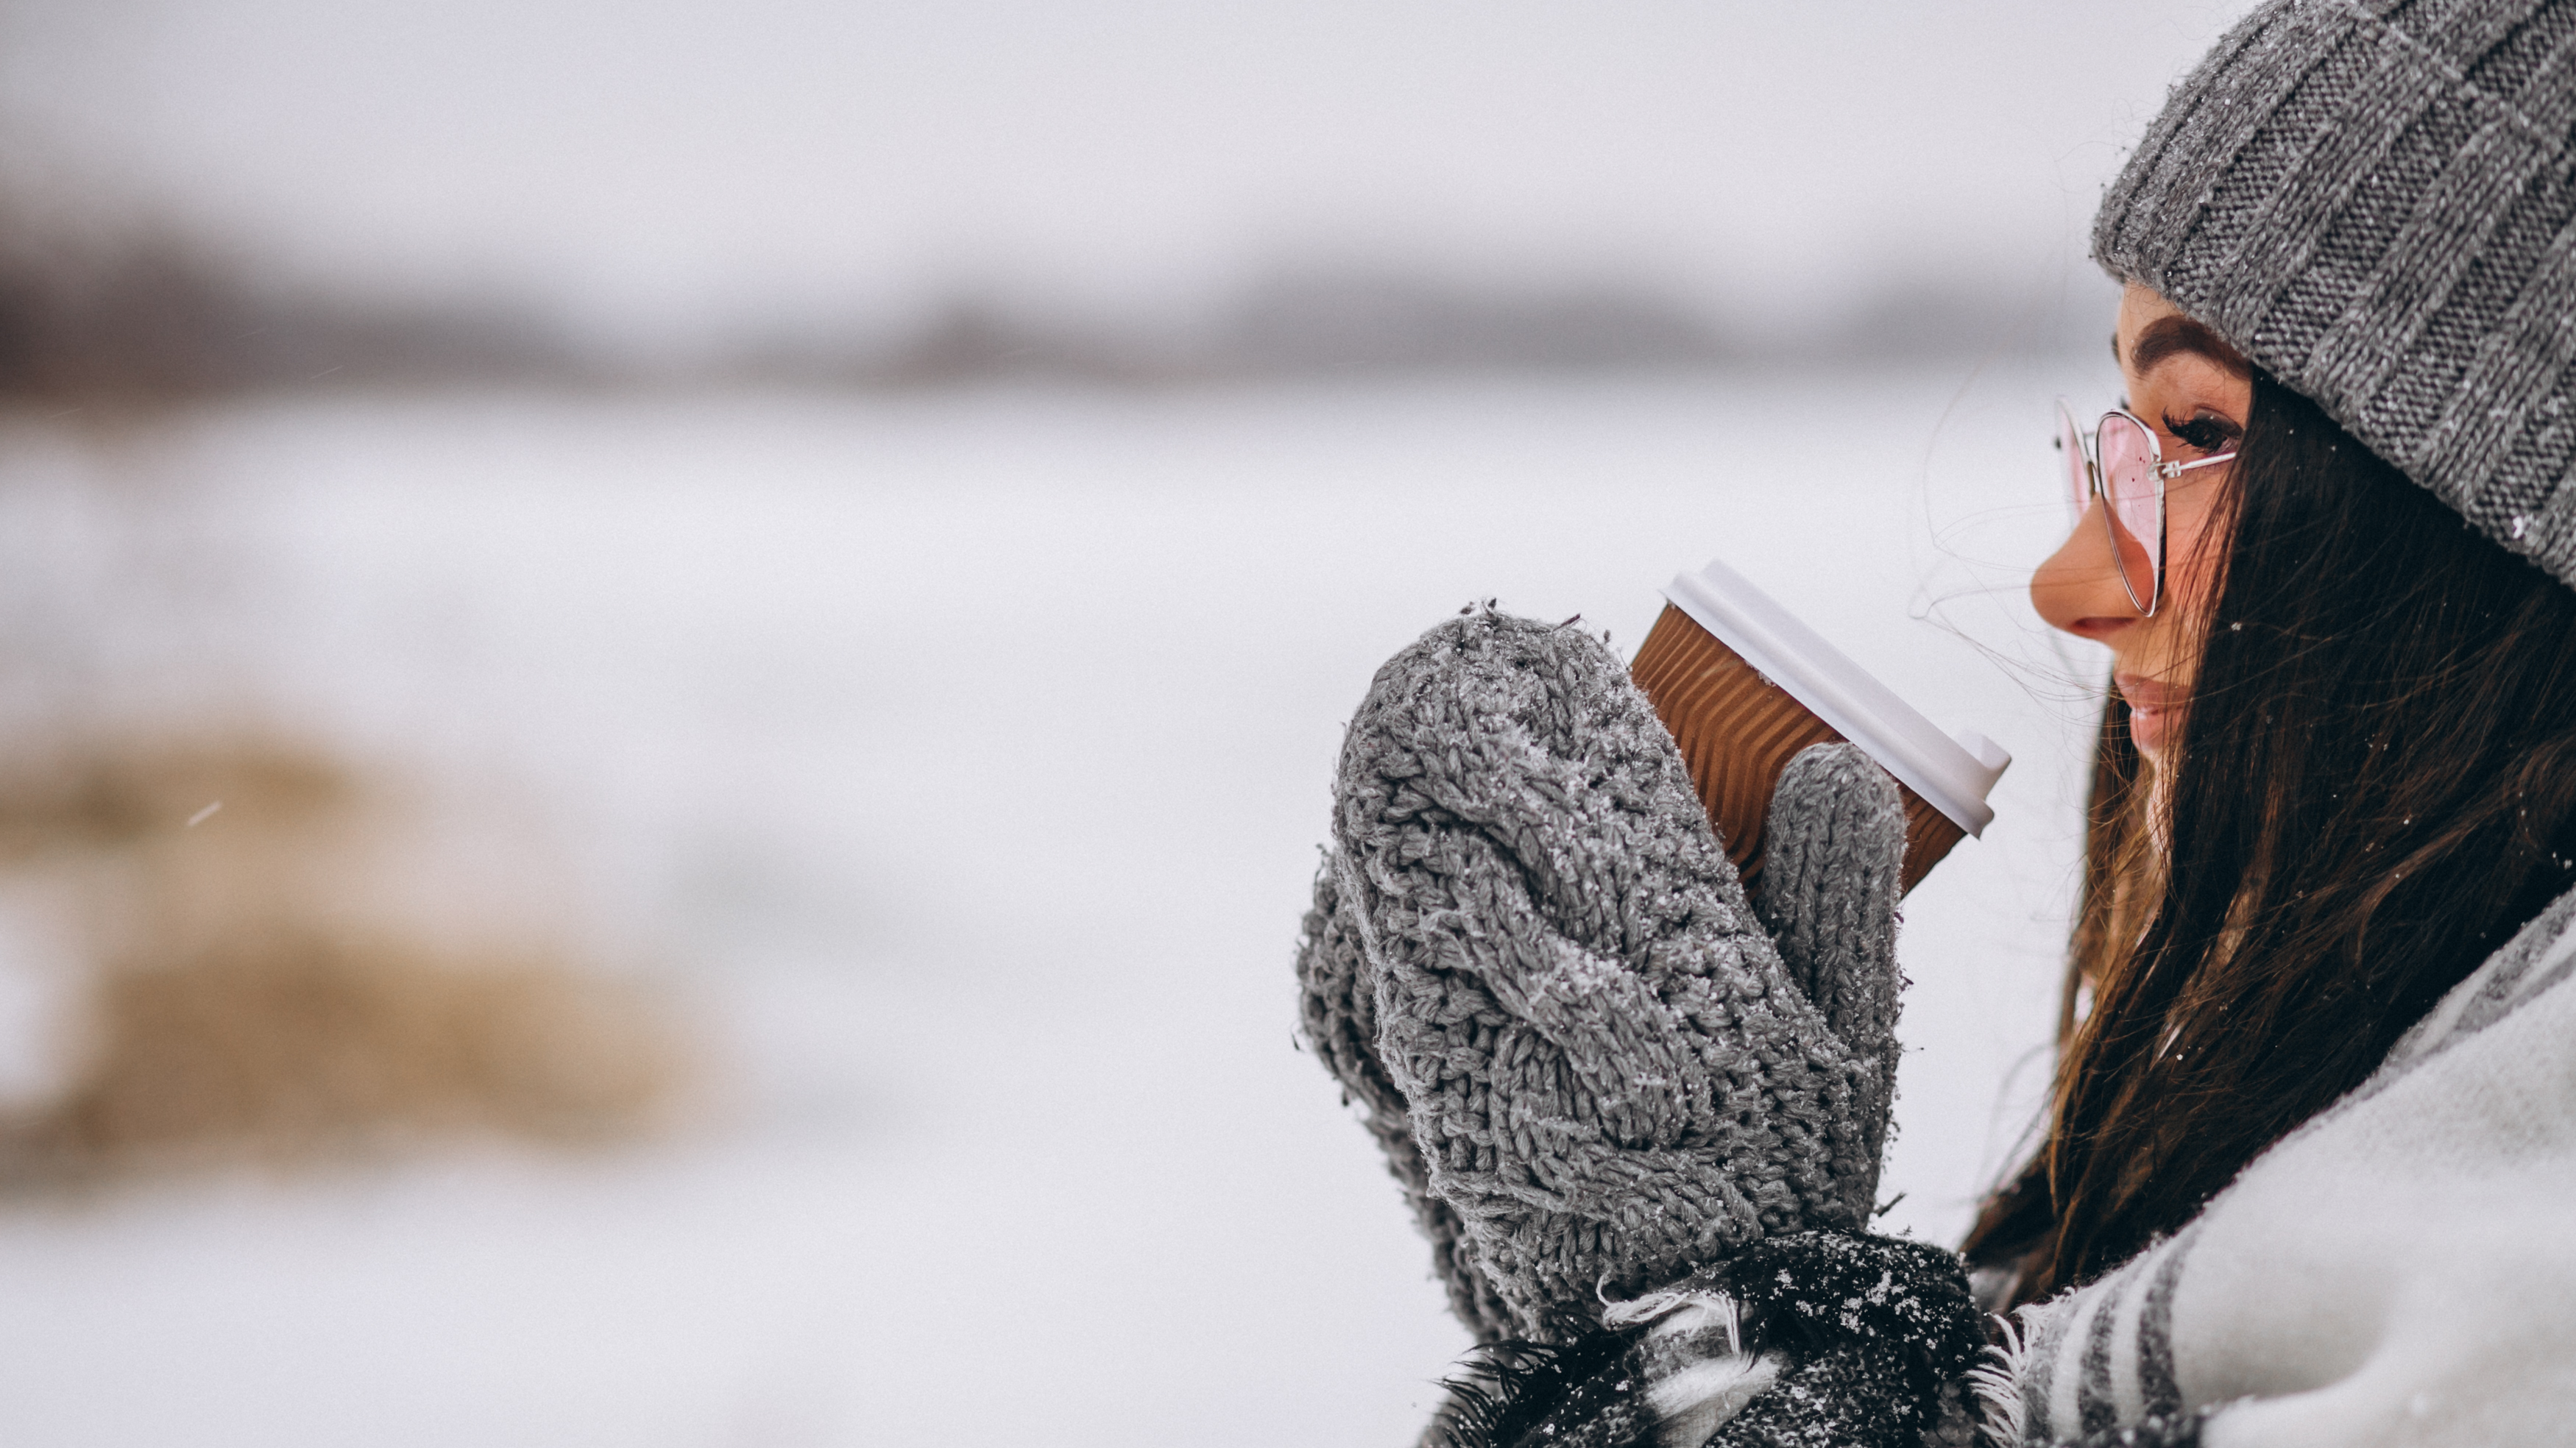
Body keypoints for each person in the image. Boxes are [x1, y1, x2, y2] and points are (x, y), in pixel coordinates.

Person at [1296, 1, 2576, 1444]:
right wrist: (1644, 1313)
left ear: (2505, 547)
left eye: (2203, 435)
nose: (2071, 584)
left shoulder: (2526, 1293)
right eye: (2113, 440)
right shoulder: (2350, 1176)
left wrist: (1719, 1330)